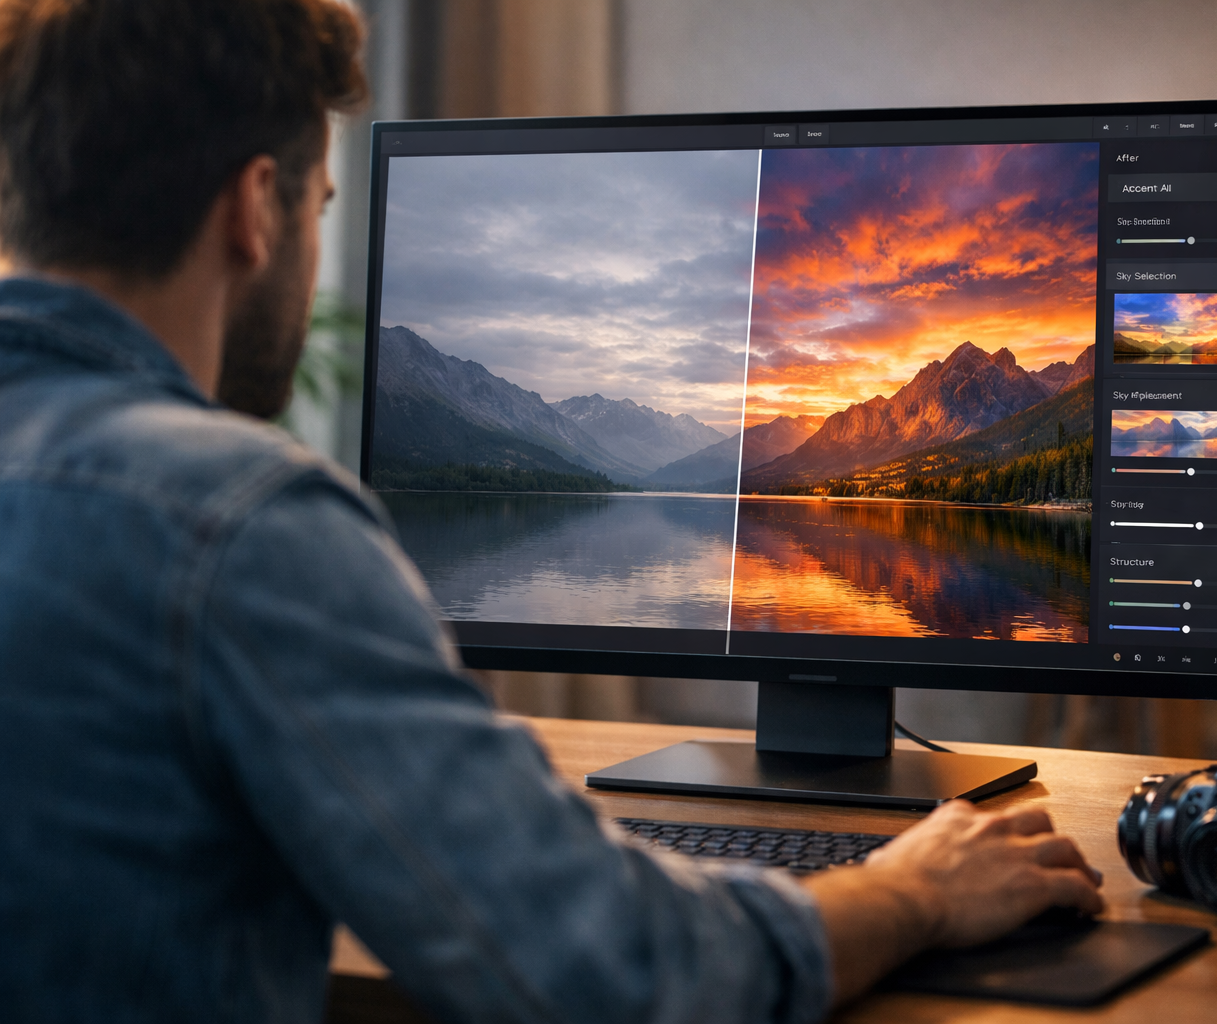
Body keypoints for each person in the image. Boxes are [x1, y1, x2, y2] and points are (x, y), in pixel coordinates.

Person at [0, 2, 1105, 1021]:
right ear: (254, 209)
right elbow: (622, 971)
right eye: (320, 207)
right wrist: (910, 891)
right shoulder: (238, 522)